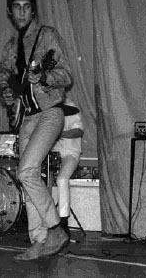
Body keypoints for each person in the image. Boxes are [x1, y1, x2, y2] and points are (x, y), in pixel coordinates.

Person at [0, 0, 72, 261]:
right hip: (26, 118)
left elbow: (66, 74)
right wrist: (5, 90)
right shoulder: (10, 46)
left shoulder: (47, 35)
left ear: (33, 9)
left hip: (50, 113)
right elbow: (1, 75)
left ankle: (55, 229)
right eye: (17, 6)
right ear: (10, 11)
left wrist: (45, 78)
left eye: (27, 6)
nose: (23, 11)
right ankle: (39, 242)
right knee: (29, 180)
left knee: (26, 171)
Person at [51, 97, 84, 238]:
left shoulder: (70, 106)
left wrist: (58, 134)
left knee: (62, 179)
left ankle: (63, 221)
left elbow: (78, 131)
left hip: (70, 152)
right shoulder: (45, 106)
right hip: (52, 152)